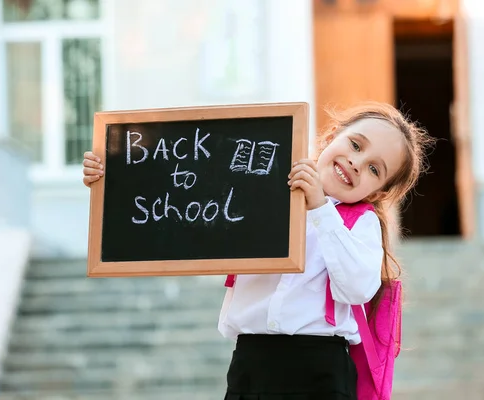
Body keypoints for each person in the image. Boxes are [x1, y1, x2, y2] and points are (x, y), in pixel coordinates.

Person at [82, 101, 433, 400]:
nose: (357, 162)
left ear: (377, 193)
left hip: (318, 368)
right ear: (330, 138)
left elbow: (356, 287)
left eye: (374, 169)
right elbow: (183, 201)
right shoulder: (260, 184)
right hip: (252, 361)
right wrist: (114, 176)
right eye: (356, 145)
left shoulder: (361, 223)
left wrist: (321, 211)